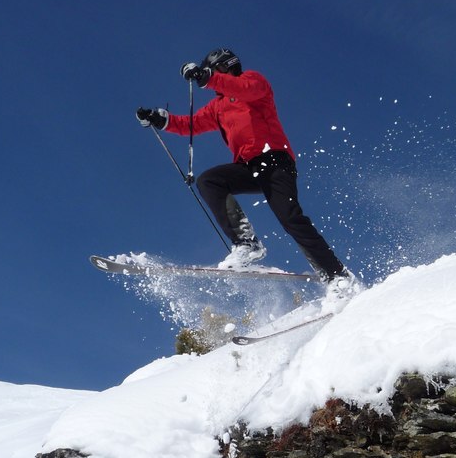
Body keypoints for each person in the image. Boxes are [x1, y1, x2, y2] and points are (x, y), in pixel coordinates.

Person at [136, 48, 356, 291]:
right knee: (210, 180)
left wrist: (208, 77)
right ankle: (246, 243)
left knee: (290, 218)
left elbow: (246, 90)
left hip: (274, 161)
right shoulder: (217, 106)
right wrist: (160, 119)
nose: (211, 77)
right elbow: (192, 124)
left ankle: (337, 276)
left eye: (213, 71)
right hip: (248, 167)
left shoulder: (252, 81)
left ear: (224, 66)